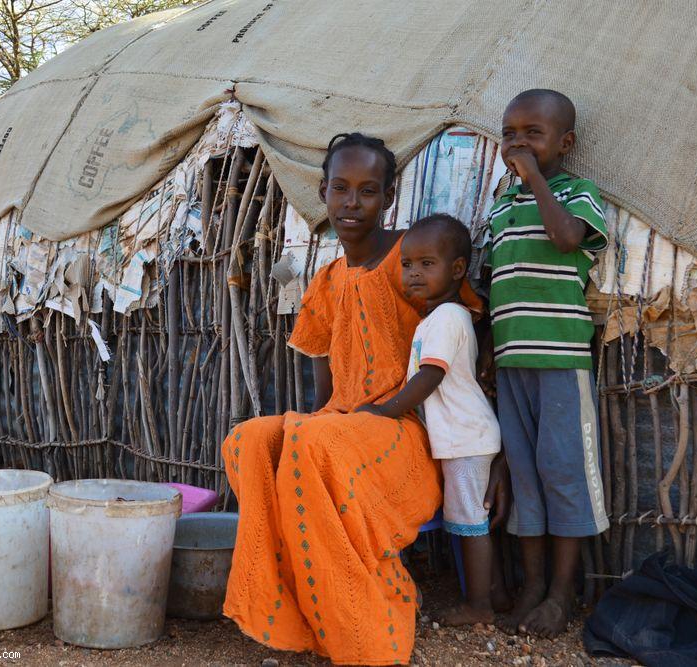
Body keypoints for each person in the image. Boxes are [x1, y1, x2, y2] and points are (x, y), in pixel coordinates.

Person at [220, 133, 498, 665]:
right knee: (250, 439)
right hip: (343, 423)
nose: (352, 203)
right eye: (341, 189)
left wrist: (488, 446)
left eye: (368, 191)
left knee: (313, 444)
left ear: (388, 198)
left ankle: (363, 618)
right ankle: (289, 607)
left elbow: (465, 341)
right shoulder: (325, 281)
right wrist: (316, 418)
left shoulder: (413, 259)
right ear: (322, 193)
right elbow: (324, 387)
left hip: (405, 430)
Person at [482, 89, 610, 638]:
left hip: (561, 361)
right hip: (513, 363)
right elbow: (492, 284)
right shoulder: (500, 207)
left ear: (566, 143)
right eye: (510, 133)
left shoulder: (578, 194)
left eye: (533, 134)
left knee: (564, 474)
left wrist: (533, 178)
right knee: (527, 477)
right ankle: (532, 586)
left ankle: (561, 595)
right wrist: (489, 346)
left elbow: (565, 240)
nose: (518, 143)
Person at [356, 214, 502, 627]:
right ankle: (497, 593)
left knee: (469, 523)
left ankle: (480, 605)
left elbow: (430, 376)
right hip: (464, 436)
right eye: (406, 265)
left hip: (465, 439)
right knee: (473, 520)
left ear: (457, 270)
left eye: (426, 264)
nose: (413, 273)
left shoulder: (447, 319)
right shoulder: (437, 319)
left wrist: (387, 409)